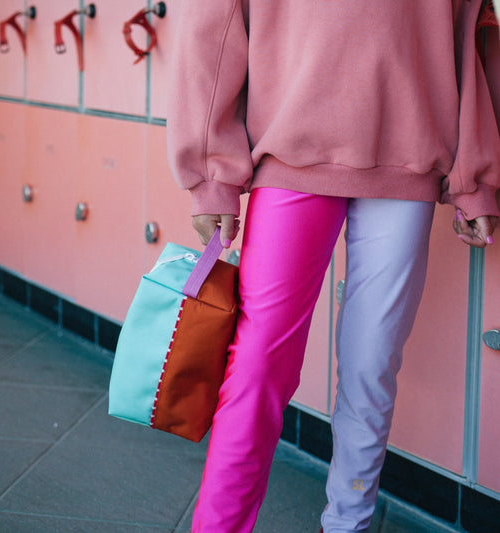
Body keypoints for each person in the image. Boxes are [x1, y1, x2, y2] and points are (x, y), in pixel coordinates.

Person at [167, 1, 500, 532]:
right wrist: (211, 175)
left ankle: (348, 523)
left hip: (408, 162)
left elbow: (472, 34)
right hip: (290, 157)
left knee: (372, 366)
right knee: (258, 365)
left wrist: (478, 182)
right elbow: (213, 23)